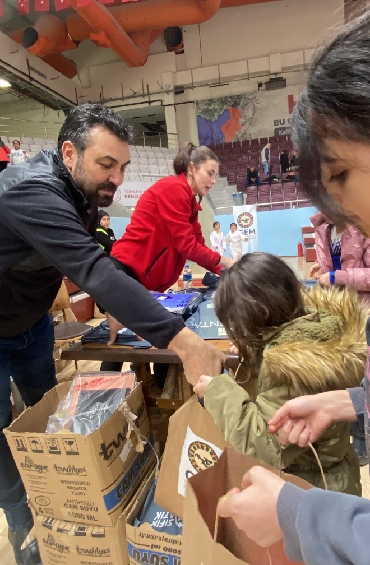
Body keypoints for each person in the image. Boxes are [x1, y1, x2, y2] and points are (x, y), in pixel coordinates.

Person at [0, 104, 224, 565]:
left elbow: (80, 260)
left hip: (32, 325)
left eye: (122, 167)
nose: (118, 179)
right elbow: (91, 267)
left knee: (57, 422)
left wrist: (115, 303)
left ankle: (66, 502)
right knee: (5, 431)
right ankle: (24, 522)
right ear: (69, 152)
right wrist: (182, 340)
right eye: (107, 165)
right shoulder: (29, 193)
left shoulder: (81, 191)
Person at [216, 13, 370, 565]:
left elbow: (261, 438)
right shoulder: (332, 330)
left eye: (339, 174)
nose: (338, 207)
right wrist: (350, 401)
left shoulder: (283, 361)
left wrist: (296, 515)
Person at [194, 252, 364, 493]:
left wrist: (216, 390)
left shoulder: (295, 367)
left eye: (237, 325)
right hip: (329, 475)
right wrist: (254, 344)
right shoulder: (313, 329)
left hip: (311, 488)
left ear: (256, 318)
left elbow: (263, 443)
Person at [110, 142, 233, 293]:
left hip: (144, 279)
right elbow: (187, 246)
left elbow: (198, 245)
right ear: (192, 169)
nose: (213, 181)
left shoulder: (189, 201)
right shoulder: (174, 189)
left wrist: (225, 270)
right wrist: (228, 262)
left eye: (215, 175)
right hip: (127, 272)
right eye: (210, 173)